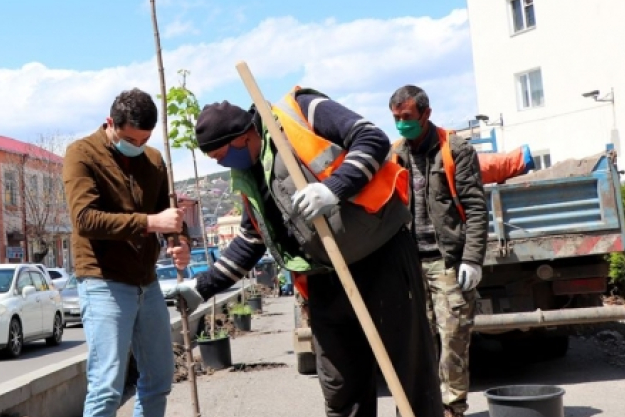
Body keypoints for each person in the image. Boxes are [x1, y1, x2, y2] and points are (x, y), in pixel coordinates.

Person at [164, 88, 443, 417]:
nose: (222, 164)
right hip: (324, 277)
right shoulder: (251, 175)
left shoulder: (300, 110)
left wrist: (333, 187)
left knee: (410, 374)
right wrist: (203, 286)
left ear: (242, 136)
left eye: (220, 155)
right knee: (341, 387)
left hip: (380, 257)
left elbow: (371, 138)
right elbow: (252, 240)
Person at [62, 88, 191, 417]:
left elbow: (168, 212)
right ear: (110, 123)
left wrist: (179, 240)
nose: (137, 148)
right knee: (106, 387)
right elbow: (85, 219)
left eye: (143, 140)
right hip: (103, 282)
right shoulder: (81, 154)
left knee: (159, 379)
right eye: (130, 140)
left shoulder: (153, 159)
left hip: (147, 284)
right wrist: (150, 223)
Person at [388, 85, 488, 417]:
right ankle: (419, 409)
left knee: (453, 344)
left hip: (447, 262)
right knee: (417, 345)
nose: (402, 125)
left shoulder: (454, 150)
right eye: (396, 118)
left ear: (425, 114)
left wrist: (472, 259)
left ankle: (451, 410)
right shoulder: (395, 155)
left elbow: (475, 208)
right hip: (410, 265)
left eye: (407, 118)